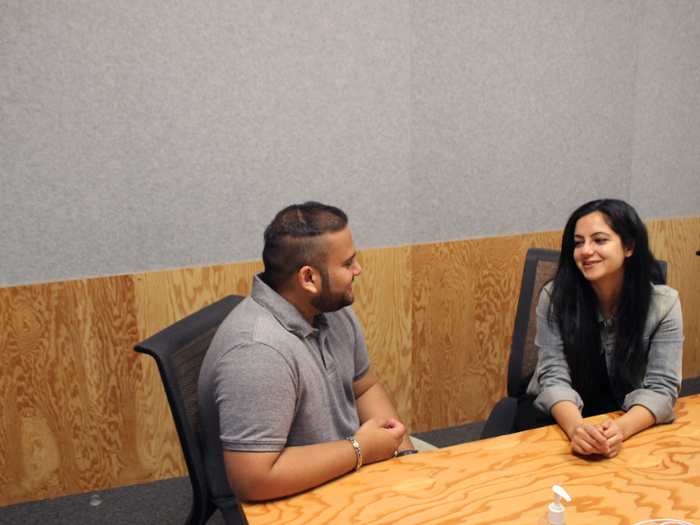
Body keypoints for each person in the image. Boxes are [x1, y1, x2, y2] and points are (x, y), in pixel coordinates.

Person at [198, 202, 415, 522]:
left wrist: (405, 456)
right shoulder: (257, 351)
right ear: (309, 278)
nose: (358, 270)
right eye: (348, 263)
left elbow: (364, 387)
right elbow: (254, 479)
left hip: (343, 469)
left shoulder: (332, 308)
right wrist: (360, 450)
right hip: (277, 502)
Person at [513, 199, 683, 458]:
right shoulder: (555, 296)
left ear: (629, 247)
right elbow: (553, 375)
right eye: (579, 242)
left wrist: (620, 430)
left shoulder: (664, 304)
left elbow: (662, 388)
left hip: (624, 409)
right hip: (561, 407)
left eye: (599, 240)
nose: (586, 251)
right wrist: (577, 428)